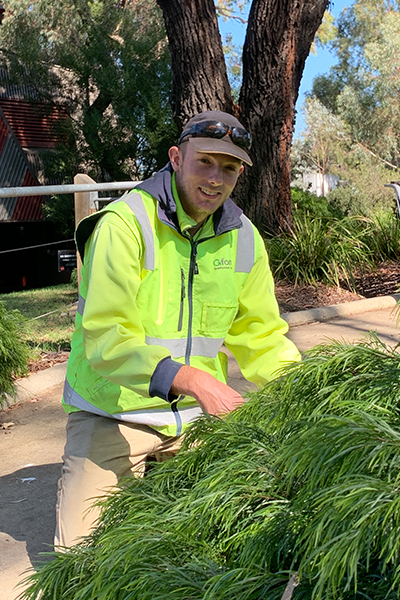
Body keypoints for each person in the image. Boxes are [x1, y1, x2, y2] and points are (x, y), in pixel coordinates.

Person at [56, 110, 300, 547]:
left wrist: (306, 394)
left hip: (194, 424)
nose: (215, 178)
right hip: (113, 414)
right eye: (204, 161)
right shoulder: (124, 225)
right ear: (175, 157)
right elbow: (106, 337)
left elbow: (262, 336)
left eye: (229, 167)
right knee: (81, 563)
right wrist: (196, 381)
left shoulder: (244, 238)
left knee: (220, 549)